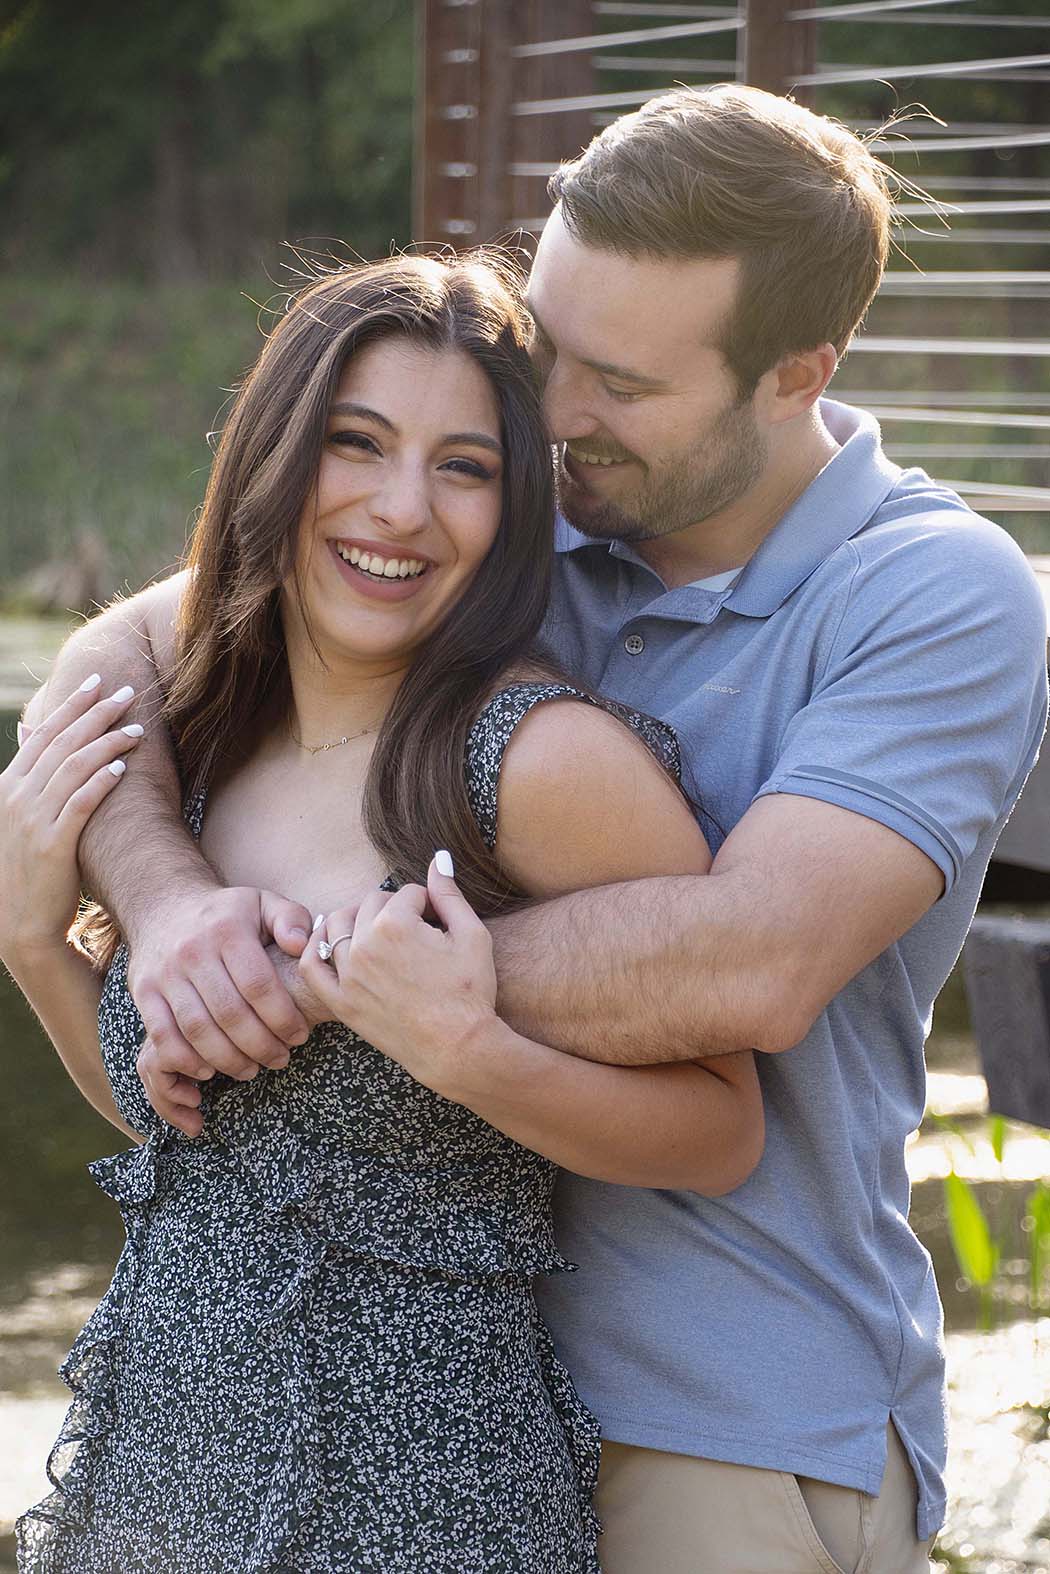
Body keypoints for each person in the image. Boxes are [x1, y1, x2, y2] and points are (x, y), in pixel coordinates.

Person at [18, 82, 1049, 1573]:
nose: (557, 410)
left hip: (717, 1418)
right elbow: (124, 651)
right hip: (394, 1365)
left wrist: (318, 968)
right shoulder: (519, 511)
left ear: (794, 373)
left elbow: (744, 965)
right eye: (549, 346)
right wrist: (170, 909)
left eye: (618, 381)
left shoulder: (930, 594)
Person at [5, 253, 764, 1573]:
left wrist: (470, 1048)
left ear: (511, 505)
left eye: (462, 466)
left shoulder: (534, 763)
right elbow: (197, 1158)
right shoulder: (205, 738)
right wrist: (29, 943)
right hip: (154, 1490)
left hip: (423, 1514)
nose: (400, 507)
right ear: (275, 457)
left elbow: (720, 1128)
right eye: (356, 444)